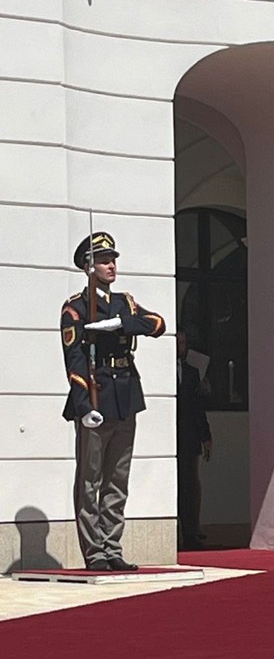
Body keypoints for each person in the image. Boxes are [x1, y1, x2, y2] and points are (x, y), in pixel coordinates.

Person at [60, 231, 166, 571]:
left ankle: (112, 546)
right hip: (96, 396)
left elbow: (158, 324)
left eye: (114, 259)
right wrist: (83, 405)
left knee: (117, 479)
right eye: (105, 260)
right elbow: (73, 359)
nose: (112, 265)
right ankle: (95, 553)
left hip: (125, 397)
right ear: (88, 266)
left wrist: (122, 324)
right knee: (90, 479)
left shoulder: (125, 304)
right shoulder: (75, 308)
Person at [176, 329, 212, 551]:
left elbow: (198, 408)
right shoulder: (160, 372)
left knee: (190, 486)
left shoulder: (192, 372)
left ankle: (191, 535)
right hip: (169, 439)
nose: (180, 347)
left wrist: (205, 437)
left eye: (183, 343)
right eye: (177, 342)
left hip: (189, 438)